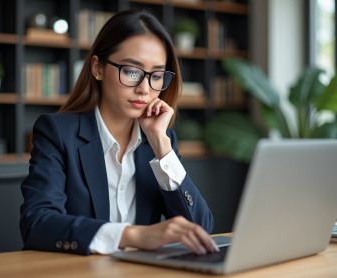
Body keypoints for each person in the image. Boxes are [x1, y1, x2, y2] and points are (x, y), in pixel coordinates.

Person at [20, 8, 217, 256]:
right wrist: (133, 235)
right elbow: (37, 223)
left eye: (156, 75)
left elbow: (200, 229)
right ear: (98, 68)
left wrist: (161, 146)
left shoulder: (160, 142)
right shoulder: (57, 132)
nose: (145, 89)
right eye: (132, 71)